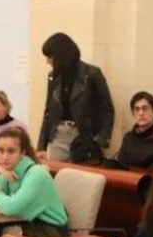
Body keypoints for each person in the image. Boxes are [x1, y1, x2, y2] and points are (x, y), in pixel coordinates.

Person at [0, 125, 69, 237]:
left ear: (22, 152)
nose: (5, 157)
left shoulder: (36, 174)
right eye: (0, 151)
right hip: (26, 225)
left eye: (11, 151)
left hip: (50, 231)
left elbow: (11, 208)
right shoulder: (5, 171)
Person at [38, 32, 113, 162]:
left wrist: (99, 142)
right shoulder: (53, 77)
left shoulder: (92, 74)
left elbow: (107, 110)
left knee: (81, 179)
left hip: (83, 137)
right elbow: (48, 111)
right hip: (58, 136)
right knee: (56, 177)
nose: (48, 61)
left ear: (61, 56)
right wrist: (41, 146)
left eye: (50, 56)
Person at [113, 91, 153, 169]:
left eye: (145, 108)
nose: (141, 113)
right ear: (133, 114)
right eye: (137, 109)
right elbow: (120, 166)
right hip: (127, 179)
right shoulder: (128, 137)